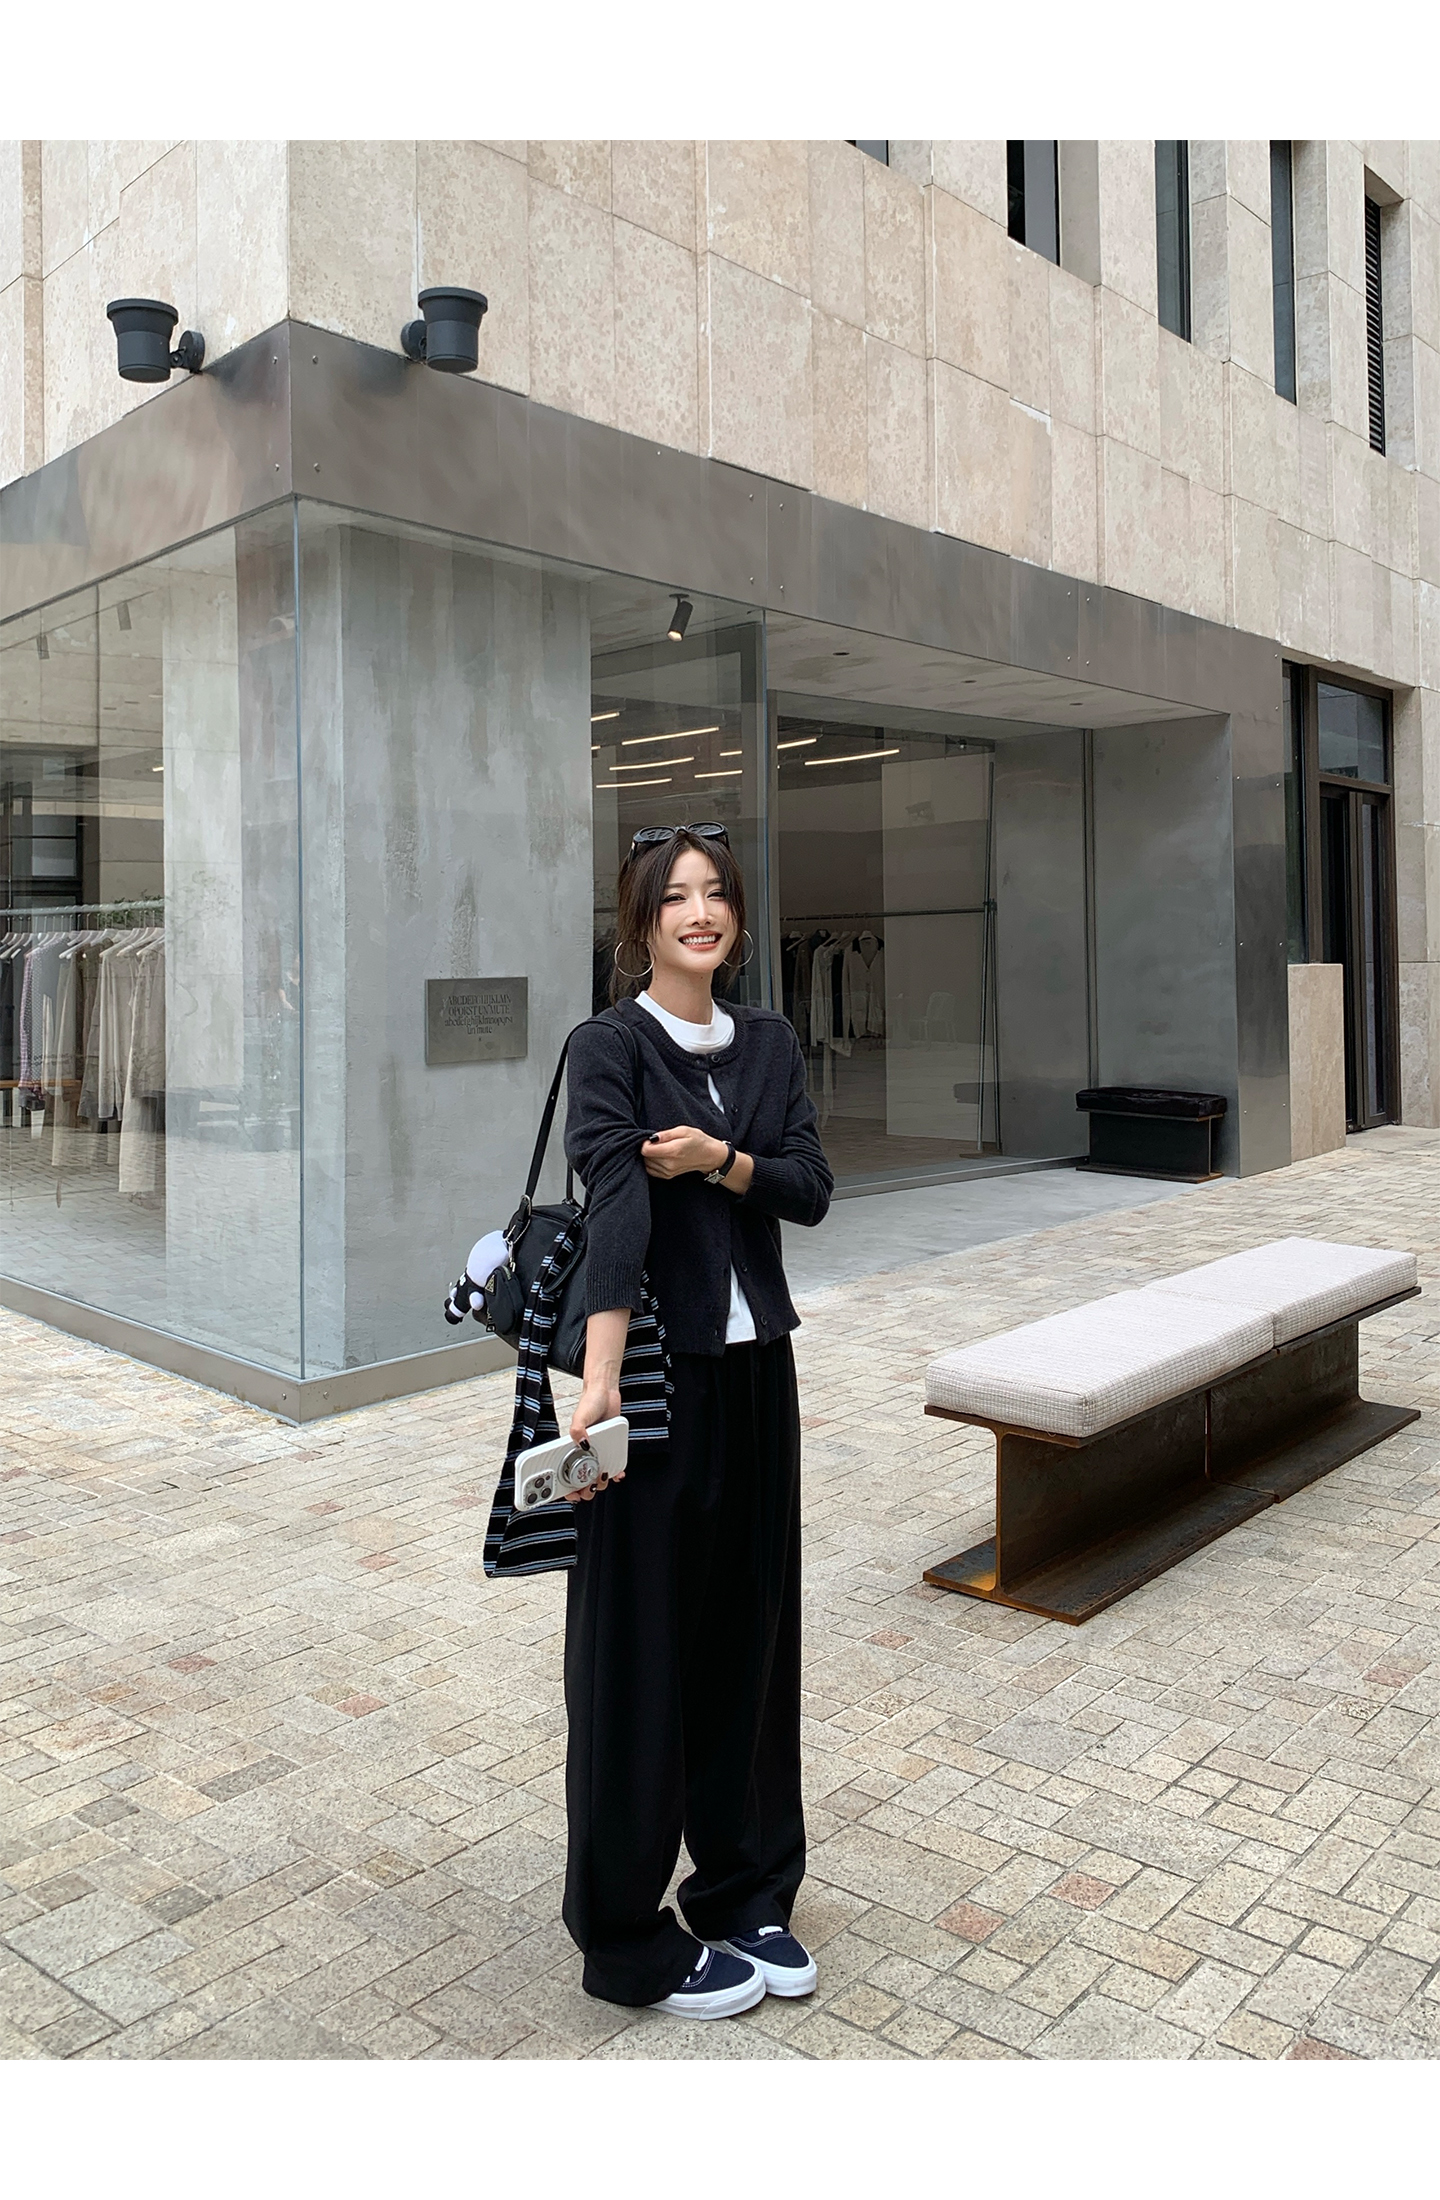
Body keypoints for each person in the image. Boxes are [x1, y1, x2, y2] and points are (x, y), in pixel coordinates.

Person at [561, 822, 833, 2020]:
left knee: (752, 1640)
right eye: (675, 896)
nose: (700, 912)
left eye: (716, 892)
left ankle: (743, 1886)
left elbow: (809, 1187)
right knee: (637, 1655)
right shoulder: (609, 1046)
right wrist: (600, 1378)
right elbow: (616, 1207)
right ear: (641, 921)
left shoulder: (768, 1043)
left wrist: (723, 1160)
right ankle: (627, 1935)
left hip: (757, 1374)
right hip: (654, 1379)